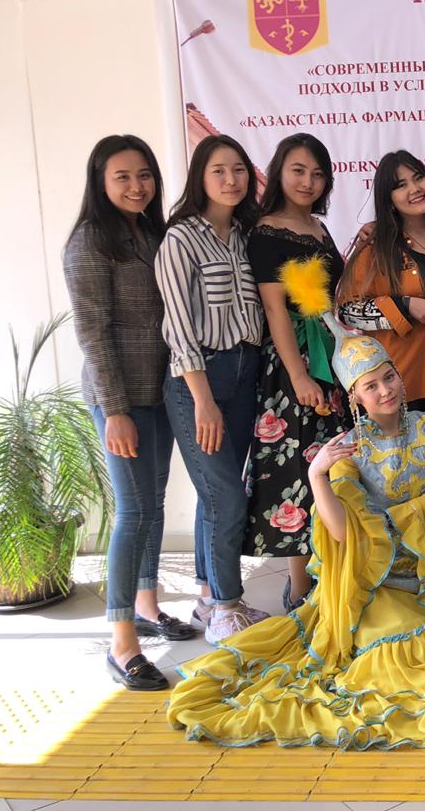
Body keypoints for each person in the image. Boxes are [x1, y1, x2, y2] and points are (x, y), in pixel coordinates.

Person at [167, 319, 425, 746]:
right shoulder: (348, 448)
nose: (385, 391)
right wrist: (317, 476)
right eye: (371, 386)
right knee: (393, 653)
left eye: (389, 377)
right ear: (355, 397)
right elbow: (343, 532)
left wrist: (386, 520)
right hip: (377, 582)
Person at [64, 134, 197, 691]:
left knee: (153, 503)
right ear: (100, 182)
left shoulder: (150, 233)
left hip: (159, 389)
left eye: (144, 175)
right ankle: (122, 643)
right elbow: (92, 333)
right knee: (134, 511)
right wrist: (114, 410)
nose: (137, 186)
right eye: (122, 177)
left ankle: (146, 605)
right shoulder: (90, 241)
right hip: (119, 396)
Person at [156, 134, 269, 643]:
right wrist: (202, 400)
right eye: (219, 170)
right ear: (200, 177)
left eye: (239, 169)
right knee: (225, 493)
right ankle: (227, 604)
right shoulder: (180, 240)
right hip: (199, 380)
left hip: (246, 373)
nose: (231, 179)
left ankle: (208, 597)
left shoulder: (246, 235)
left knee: (215, 492)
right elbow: (179, 329)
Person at [243, 133, 351, 613]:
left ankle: (333, 573)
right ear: (278, 173)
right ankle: (298, 585)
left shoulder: (319, 228)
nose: (308, 181)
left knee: (334, 462)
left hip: (332, 355)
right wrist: (300, 377)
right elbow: (275, 311)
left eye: (318, 173)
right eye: (298, 170)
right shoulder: (267, 231)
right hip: (294, 365)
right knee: (298, 467)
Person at [336, 149, 425, 413]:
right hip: (395, 385)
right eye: (401, 185)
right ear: (389, 199)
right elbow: (347, 311)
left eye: (418, 178)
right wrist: (403, 306)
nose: (415, 189)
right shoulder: (375, 248)